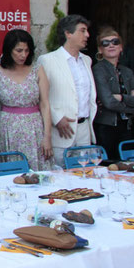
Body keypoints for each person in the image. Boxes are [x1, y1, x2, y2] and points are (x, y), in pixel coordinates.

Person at [38, 14, 97, 167]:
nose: (87, 35)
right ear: (68, 33)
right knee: (60, 176)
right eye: (82, 31)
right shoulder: (48, 60)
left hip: (84, 128)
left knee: (85, 174)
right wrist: (57, 118)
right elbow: (41, 96)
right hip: (61, 130)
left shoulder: (87, 60)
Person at [0, 29, 53, 170]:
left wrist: (47, 136)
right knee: (13, 171)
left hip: (34, 129)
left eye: (26, 50)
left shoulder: (37, 70)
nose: (23, 55)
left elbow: (45, 104)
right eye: (19, 50)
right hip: (8, 130)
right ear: (8, 50)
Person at [92, 26, 134, 161]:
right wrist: (131, 107)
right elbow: (108, 102)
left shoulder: (127, 71)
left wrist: (122, 97)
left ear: (121, 47)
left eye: (115, 42)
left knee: (125, 165)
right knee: (108, 165)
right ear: (100, 49)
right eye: (105, 43)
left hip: (126, 126)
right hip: (106, 127)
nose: (111, 45)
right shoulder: (98, 69)